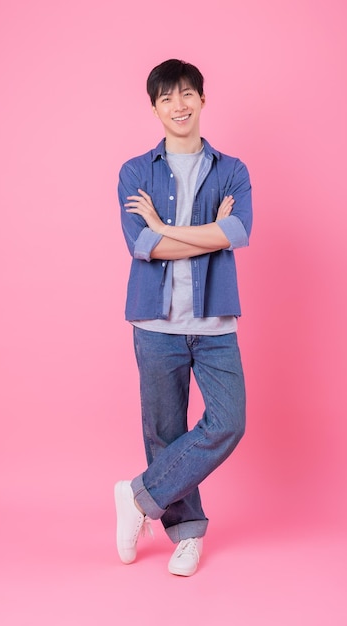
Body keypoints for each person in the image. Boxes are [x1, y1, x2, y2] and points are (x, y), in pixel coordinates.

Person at [115, 58, 253, 577]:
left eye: (188, 94)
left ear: (202, 99)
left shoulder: (232, 169)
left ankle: (136, 497)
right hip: (155, 323)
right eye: (168, 97)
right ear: (154, 107)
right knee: (164, 433)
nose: (179, 105)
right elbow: (141, 245)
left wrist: (167, 230)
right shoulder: (135, 171)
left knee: (229, 421)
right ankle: (187, 532)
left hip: (215, 322)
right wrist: (208, 234)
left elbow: (238, 233)